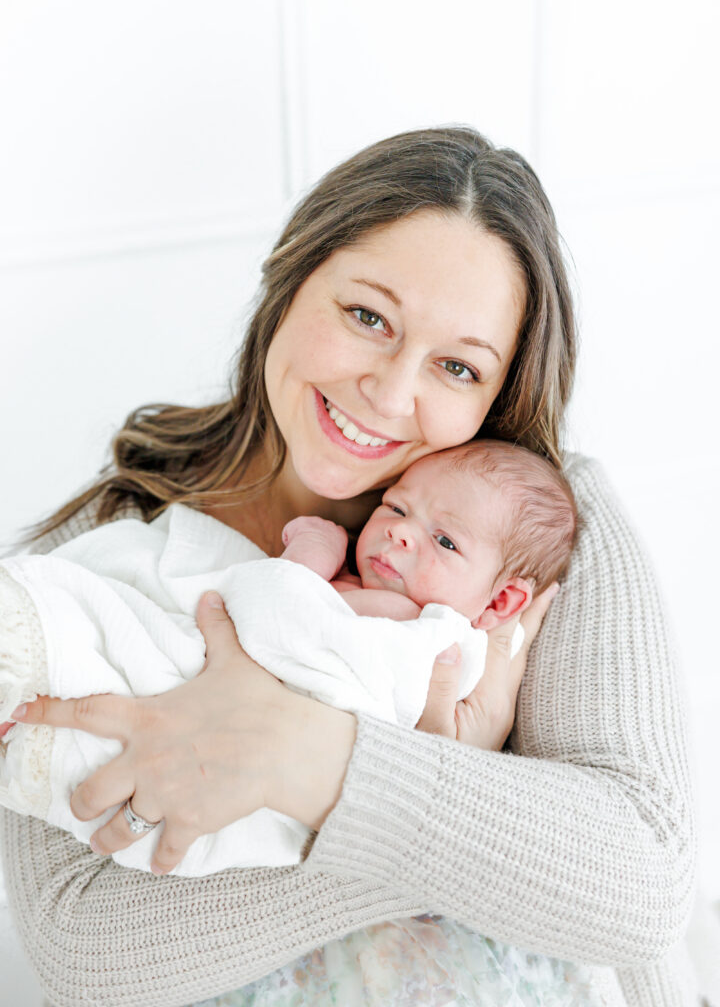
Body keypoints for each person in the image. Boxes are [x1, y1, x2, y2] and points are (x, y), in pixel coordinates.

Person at [0, 128, 695, 1007]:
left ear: (499, 391)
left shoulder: (534, 533)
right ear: (289, 282)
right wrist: (457, 790)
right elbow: (85, 948)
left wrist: (315, 758)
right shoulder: (96, 574)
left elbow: (640, 887)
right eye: (368, 317)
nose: (391, 391)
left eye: (455, 366)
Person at [0, 440, 577, 877]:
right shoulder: (381, 599)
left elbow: (275, 629)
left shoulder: (425, 636)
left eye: (446, 542)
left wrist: (305, 558)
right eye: (397, 507)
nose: (401, 534)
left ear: (502, 601)